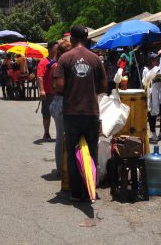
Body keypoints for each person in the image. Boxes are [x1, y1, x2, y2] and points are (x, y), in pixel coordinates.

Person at [53, 25, 107, 202]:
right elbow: (103, 86)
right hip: (91, 111)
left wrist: (71, 89)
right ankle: (89, 189)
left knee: (73, 152)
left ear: (72, 39)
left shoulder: (64, 58)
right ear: (86, 38)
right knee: (91, 152)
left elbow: (59, 85)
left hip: (72, 112)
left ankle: (76, 193)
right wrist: (89, 89)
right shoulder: (96, 59)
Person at [50, 40, 72, 174]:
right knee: (62, 136)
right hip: (61, 102)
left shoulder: (58, 64)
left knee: (61, 136)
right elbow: (57, 85)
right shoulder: (59, 66)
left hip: (58, 102)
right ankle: (61, 168)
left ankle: (62, 166)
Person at [142, 53, 161, 143]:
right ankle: (153, 133)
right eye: (155, 60)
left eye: (158, 60)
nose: (157, 61)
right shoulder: (146, 70)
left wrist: (160, 79)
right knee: (152, 115)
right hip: (152, 96)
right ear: (151, 61)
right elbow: (144, 83)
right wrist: (151, 80)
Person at [37, 41, 59, 140]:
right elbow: (40, 77)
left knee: (60, 114)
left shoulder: (60, 61)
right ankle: (46, 133)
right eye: (56, 48)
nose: (57, 50)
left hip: (59, 92)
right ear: (49, 49)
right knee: (46, 114)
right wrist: (42, 90)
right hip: (48, 92)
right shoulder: (43, 62)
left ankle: (60, 134)